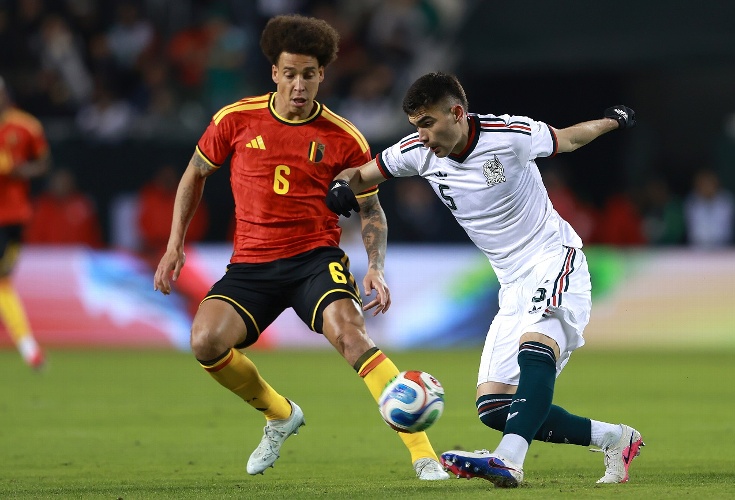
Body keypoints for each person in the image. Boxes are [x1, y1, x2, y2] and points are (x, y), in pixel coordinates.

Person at [153, 15, 448, 481]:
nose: (298, 85)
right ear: (274, 72)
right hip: (251, 264)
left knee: (352, 336)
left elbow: (371, 209)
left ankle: (423, 454)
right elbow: (194, 174)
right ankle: (280, 414)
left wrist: (375, 266)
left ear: (321, 75)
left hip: (315, 260)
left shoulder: (343, 137)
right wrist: (175, 245)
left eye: (308, 74)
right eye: (289, 73)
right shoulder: (235, 119)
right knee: (205, 341)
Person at [326, 72, 644, 487]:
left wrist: (613, 121)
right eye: (416, 126)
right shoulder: (417, 152)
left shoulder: (509, 135)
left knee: (536, 347)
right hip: (510, 283)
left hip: (553, 258)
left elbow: (568, 139)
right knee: (495, 407)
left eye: (428, 123)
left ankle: (509, 461)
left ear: (457, 113)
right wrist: (341, 185)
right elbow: (360, 174)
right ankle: (615, 438)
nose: (422, 136)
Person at [0, 75, 50, 369]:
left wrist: (20, 171)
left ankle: (28, 346)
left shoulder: (26, 126)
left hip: (12, 218)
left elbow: (43, 163)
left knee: (3, 280)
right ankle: (28, 348)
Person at [25, 167, 103, 247]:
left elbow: (93, 240)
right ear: (51, 183)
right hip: (46, 253)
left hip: (77, 252)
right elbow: (32, 241)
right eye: (58, 182)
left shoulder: (84, 206)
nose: (61, 185)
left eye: (65, 182)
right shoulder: (39, 206)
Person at [683, 168, 735, 247]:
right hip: (697, 247)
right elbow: (696, 230)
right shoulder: (691, 202)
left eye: (709, 183)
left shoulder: (726, 200)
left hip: (723, 247)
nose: (706, 187)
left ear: (716, 184)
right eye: (703, 184)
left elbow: (723, 229)